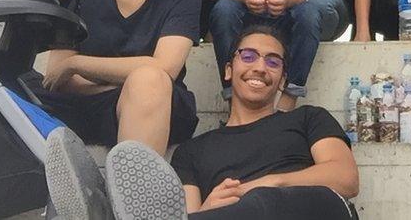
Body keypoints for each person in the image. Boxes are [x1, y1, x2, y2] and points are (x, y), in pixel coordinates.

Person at [44, 26, 360, 220]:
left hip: (314, 211)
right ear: (228, 70)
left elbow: (345, 178)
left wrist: (266, 183)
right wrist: (211, 207)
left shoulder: (308, 118)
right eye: (248, 56)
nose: (260, 67)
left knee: (263, 202)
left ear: (282, 80)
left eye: (273, 61)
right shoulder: (193, 151)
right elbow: (190, 214)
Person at [37, 0, 201, 217]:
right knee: (142, 80)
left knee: (151, 81)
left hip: (161, 106)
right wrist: (126, 85)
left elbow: (165, 67)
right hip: (89, 108)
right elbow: (56, 77)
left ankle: (138, 208)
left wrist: (78, 64)